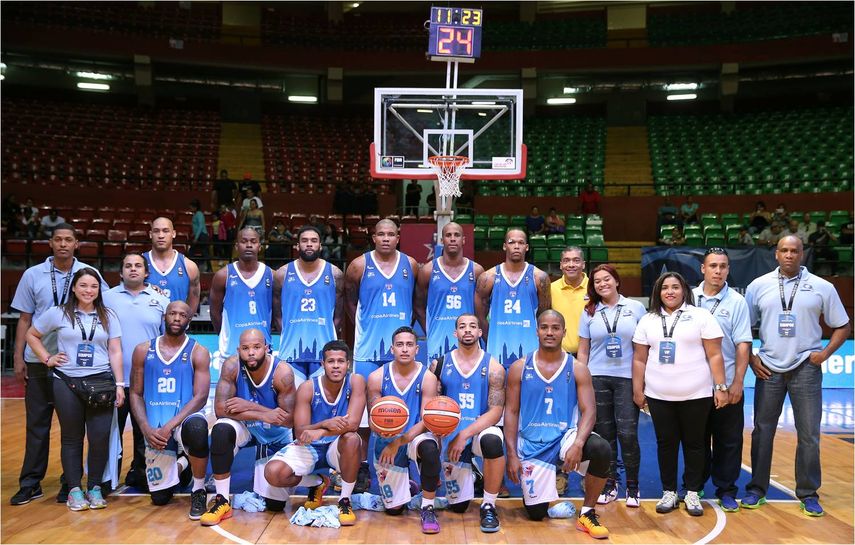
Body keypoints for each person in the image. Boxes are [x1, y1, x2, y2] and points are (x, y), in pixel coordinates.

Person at [742, 236, 850, 517]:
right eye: (784, 250)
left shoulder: (822, 287)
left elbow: (843, 326)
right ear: (776, 254)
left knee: (809, 435)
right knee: (762, 431)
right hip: (768, 369)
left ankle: (808, 493)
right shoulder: (758, 286)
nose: (790, 255)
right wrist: (753, 359)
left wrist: (824, 354)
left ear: (803, 254)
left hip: (806, 368)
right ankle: (756, 489)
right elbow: (742, 328)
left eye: (795, 251)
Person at [9, 224, 108, 506]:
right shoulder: (33, 275)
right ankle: (30, 483)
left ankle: (71, 483)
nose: (63, 244)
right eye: (58, 239)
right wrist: (20, 356)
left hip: (77, 366)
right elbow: (25, 320)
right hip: (40, 360)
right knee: (37, 424)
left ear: (77, 244)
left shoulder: (90, 274)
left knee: (73, 428)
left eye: (69, 240)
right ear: (50, 243)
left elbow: (106, 309)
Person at [504, 310, 612, 539]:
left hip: (565, 437)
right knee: (536, 514)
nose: (550, 332)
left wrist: (579, 443)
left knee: (601, 449)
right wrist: (512, 454)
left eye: (555, 328)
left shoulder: (577, 368)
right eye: (544, 327)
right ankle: (546, 491)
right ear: (537, 331)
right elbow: (511, 412)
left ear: (564, 332)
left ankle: (587, 513)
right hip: (532, 443)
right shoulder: (519, 367)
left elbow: (589, 411)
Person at [25, 268, 124, 512]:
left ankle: (95, 488)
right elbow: (32, 334)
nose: (88, 290)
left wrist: (120, 384)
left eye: (93, 286)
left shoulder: (108, 315)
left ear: (99, 290)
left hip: (101, 381)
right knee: (71, 438)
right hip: (66, 380)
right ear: (74, 288)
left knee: (100, 438)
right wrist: (47, 358)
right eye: (83, 286)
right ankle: (73, 490)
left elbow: (115, 351)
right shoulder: (58, 313)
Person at [631, 272, 728, 517]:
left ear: (684, 290)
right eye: (665, 288)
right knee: (666, 444)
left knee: (696, 444)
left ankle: (693, 492)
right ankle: (669, 492)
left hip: (696, 394)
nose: (670, 292)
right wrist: (637, 389)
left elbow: (715, 354)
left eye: (675, 287)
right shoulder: (648, 320)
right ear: (658, 292)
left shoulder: (701, 316)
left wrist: (720, 387)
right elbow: (640, 359)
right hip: (658, 395)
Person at [345, 219, 418, 486]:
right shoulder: (358, 266)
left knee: (405, 412)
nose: (386, 238)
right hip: (367, 351)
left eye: (391, 234)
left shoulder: (410, 265)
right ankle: (363, 466)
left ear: (398, 237)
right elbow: (351, 302)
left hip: (400, 354)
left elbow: (416, 302)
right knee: (364, 414)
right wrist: (367, 326)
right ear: (373, 237)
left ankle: (406, 464)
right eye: (381, 234)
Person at [264, 340, 366, 526]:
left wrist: (320, 432)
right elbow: (301, 430)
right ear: (322, 364)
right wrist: (325, 424)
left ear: (348, 364)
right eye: (331, 361)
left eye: (341, 361)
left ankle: (344, 500)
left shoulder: (356, 381)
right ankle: (317, 482)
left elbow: (352, 424)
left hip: (338, 446)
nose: (336, 366)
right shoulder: (308, 388)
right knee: (273, 473)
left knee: (352, 439)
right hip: (310, 447)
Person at [203, 329, 297, 526]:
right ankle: (222, 500)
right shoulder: (231, 365)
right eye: (245, 348)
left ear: (266, 348)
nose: (251, 352)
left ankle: (315, 481)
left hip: (275, 434)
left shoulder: (282, 372)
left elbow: (289, 420)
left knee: (275, 505)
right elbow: (220, 410)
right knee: (221, 429)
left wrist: (250, 406)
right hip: (245, 425)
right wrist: (260, 412)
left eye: (256, 347)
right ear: (239, 350)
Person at [128, 301, 212, 519]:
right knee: (160, 498)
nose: (176, 318)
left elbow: (201, 396)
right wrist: (146, 428)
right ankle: (183, 461)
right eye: (172, 314)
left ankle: (199, 489)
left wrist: (170, 426)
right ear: (164, 316)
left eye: (182, 315)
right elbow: (135, 394)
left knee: (197, 427)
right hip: (155, 429)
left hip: (181, 423)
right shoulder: (142, 350)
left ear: (189, 320)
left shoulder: (198, 351)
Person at [576, 264, 646, 507]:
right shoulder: (589, 311)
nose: (602, 284)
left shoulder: (635, 308)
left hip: (627, 378)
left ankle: (633, 487)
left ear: (616, 281)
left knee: (627, 435)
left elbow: (642, 348)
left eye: (607, 279)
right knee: (605, 437)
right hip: (596, 378)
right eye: (597, 282)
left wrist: (643, 382)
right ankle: (610, 483)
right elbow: (583, 350)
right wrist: (581, 381)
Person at [691, 248, 752, 512]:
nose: (718, 271)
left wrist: (738, 381)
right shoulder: (689, 297)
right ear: (703, 269)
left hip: (726, 384)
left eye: (723, 266)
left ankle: (726, 489)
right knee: (697, 439)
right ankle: (695, 485)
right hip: (694, 385)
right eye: (713, 266)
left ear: (728, 269)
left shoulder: (737, 301)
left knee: (728, 439)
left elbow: (742, 344)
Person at [431, 314, 505, 533]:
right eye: (462, 327)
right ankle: (474, 474)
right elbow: (431, 407)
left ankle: (489, 504)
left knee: (492, 441)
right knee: (459, 507)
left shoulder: (494, 367)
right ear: (455, 333)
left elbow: (496, 412)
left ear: (480, 332)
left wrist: (464, 436)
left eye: (473, 326)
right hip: (451, 434)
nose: (468, 330)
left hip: (480, 429)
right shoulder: (440, 364)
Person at [103, 254, 171, 492]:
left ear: (146, 272)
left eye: (138, 266)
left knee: (145, 432)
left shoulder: (160, 299)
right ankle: (108, 479)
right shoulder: (106, 297)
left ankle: (142, 475)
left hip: (148, 380)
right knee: (113, 432)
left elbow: (168, 339)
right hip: (114, 379)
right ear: (121, 272)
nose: (133, 269)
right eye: (128, 266)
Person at [366, 326, 442, 534]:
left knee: (430, 449)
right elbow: (373, 420)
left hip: (416, 434)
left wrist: (399, 442)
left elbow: (427, 420)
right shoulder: (376, 377)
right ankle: (407, 487)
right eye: (400, 345)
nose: (405, 349)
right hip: (387, 437)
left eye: (409, 345)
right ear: (392, 349)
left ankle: (427, 508)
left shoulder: (427, 378)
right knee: (394, 510)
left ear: (417, 349)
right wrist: (386, 432)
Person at [274, 225, 344, 383]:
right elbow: (277, 313)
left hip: (323, 351)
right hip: (291, 351)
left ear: (320, 245)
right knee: (292, 404)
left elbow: (338, 316)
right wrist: (286, 332)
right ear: (297, 245)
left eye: (314, 241)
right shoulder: (282, 274)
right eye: (304, 241)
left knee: (320, 403)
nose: (309, 244)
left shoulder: (335, 274)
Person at [476, 228, 551, 370]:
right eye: (512, 242)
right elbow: (480, 316)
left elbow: (544, 315)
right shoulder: (488, 277)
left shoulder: (540, 277)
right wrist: (491, 338)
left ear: (527, 247)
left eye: (521, 242)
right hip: (496, 349)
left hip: (530, 350)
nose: (516, 246)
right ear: (505, 246)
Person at [415, 222, 484, 363]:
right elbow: (418, 306)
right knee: (436, 384)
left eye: (457, 235)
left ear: (463, 240)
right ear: (442, 240)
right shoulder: (428, 271)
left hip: (470, 343)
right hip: (438, 342)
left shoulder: (476, 271)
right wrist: (430, 330)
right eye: (448, 235)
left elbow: (483, 308)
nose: (452, 238)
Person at [209, 227, 276, 367]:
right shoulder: (223, 275)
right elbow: (215, 313)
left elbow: (278, 312)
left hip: (263, 351)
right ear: (236, 246)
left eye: (253, 241)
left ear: (260, 246)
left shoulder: (272, 275)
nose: (249, 245)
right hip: (231, 351)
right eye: (244, 241)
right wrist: (226, 337)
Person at [143, 217, 201, 313]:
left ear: (173, 234)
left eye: (165, 231)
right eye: (156, 231)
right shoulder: (138, 264)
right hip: (146, 327)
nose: (161, 235)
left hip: (176, 326)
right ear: (150, 234)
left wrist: (186, 321)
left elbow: (194, 296)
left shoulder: (189, 266)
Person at [550, 246, 588, 356]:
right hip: (558, 356)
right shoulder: (551, 289)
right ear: (561, 265)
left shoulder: (594, 288)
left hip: (591, 356)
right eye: (566, 261)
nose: (571, 265)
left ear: (583, 264)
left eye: (576, 260)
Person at [189, 199, 210, 271]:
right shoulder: (195, 214)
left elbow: (201, 226)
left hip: (202, 236)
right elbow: (196, 227)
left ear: (195, 207)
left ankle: (208, 268)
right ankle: (196, 266)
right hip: (199, 235)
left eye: (191, 207)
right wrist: (193, 234)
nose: (190, 208)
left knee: (203, 252)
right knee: (199, 252)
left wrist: (196, 238)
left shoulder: (199, 214)